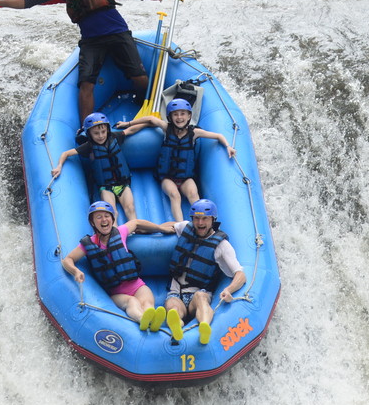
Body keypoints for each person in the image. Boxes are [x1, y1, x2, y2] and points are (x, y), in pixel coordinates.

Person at [0, 0, 162, 124]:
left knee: (140, 77)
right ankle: (86, 128)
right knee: (86, 85)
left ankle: (143, 107)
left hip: (117, 32)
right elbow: (29, 0)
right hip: (91, 40)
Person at [116, 98, 236, 221]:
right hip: (167, 177)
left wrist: (228, 146)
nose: (179, 117)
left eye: (183, 114)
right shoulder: (166, 129)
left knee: (194, 195)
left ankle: (202, 223)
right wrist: (128, 124)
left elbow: (218, 136)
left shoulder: (194, 133)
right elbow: (150, 120)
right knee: (175, 195)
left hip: (185, 177)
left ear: (189, 115)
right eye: (175, 114)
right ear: (170, 117)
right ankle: (180, 225)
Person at [62, 201, 171, 331]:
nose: (104, 220)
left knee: (147, 302)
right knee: (132, 302)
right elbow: (67, 259)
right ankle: (142, 319)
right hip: (116, 292)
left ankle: (153, 320)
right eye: (99, 217)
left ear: (112, 219)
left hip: (136, 284)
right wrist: (75, 272)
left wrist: (160, 228)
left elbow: (136, 223)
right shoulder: (88, 244)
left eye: (107, 216)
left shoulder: (120, 232)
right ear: (92, 222)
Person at [163, 199, 246, 345]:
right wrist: (137, 227)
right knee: (172, 306)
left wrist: (229, 289)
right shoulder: (185, 228)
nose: (200, 223)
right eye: (196, 218)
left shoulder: (222, 245)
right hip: (176, 291)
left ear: (213, 220)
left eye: (205, 219)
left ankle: (204, 327)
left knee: (201, 297)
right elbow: (167, 227)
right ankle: (177, 325)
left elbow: (240, 274)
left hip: (198, 292)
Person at [52, 113, 147, 222]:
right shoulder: (89, 147)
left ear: (107, 130)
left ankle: (135, 229)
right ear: (89, 134)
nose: (101, 136)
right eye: (96, 133)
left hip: (123, 183)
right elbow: (66, 153)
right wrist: (59, 166)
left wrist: (147, 124)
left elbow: (130, 130)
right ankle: (115, 235)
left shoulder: (115, 137)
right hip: (106, 187)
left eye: (103, 132)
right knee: (112, 212)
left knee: (130, 208)